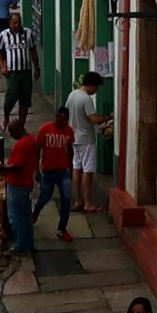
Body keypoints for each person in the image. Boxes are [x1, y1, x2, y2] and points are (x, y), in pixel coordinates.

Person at [33, 105, 76, 240]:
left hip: (63, 171)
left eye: (66, 120)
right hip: (48, 171)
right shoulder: (45, 130)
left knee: (67, 199)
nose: (63, 123)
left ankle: (62, 228)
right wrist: (36, 170)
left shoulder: (69, 131)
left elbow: (70, 149)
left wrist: (70, 168)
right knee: (44, 198)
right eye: (61, 119)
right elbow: (37, 149)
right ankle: (35, 213)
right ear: (57, 116)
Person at [0, 114, 40, 255]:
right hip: (26, 183)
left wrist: (3, 168)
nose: (11, 136)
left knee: (15, 216)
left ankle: (18, 245)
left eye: (11, 132)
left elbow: (17, 166)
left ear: (16, 129)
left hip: (17, 183)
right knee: (25, 216)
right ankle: (28, 243)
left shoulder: (22, 144)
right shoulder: (31, 140)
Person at [62, 72, 102, 213]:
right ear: (91, 85)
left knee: (76, 168)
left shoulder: (72, 95)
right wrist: (109, 117)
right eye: (96, 87)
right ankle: (88, 202)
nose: (96, 91)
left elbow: (66, 114)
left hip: (74, 137)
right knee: (87, 170)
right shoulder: (86, 99)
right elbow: (94, 119)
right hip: (86, 138)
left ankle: (78, 200)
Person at [0, 12, 37, 123]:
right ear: (9, 23)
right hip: (12, 73)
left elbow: (33, 50)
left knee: (25, 101)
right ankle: (6, 118)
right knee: (10, 98)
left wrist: (37, 68)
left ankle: (21, 124)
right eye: (14, 23)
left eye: (18, 23)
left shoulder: (28, 33)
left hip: (26, 72)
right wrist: (2, 67)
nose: (16, 25)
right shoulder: (4, 35)